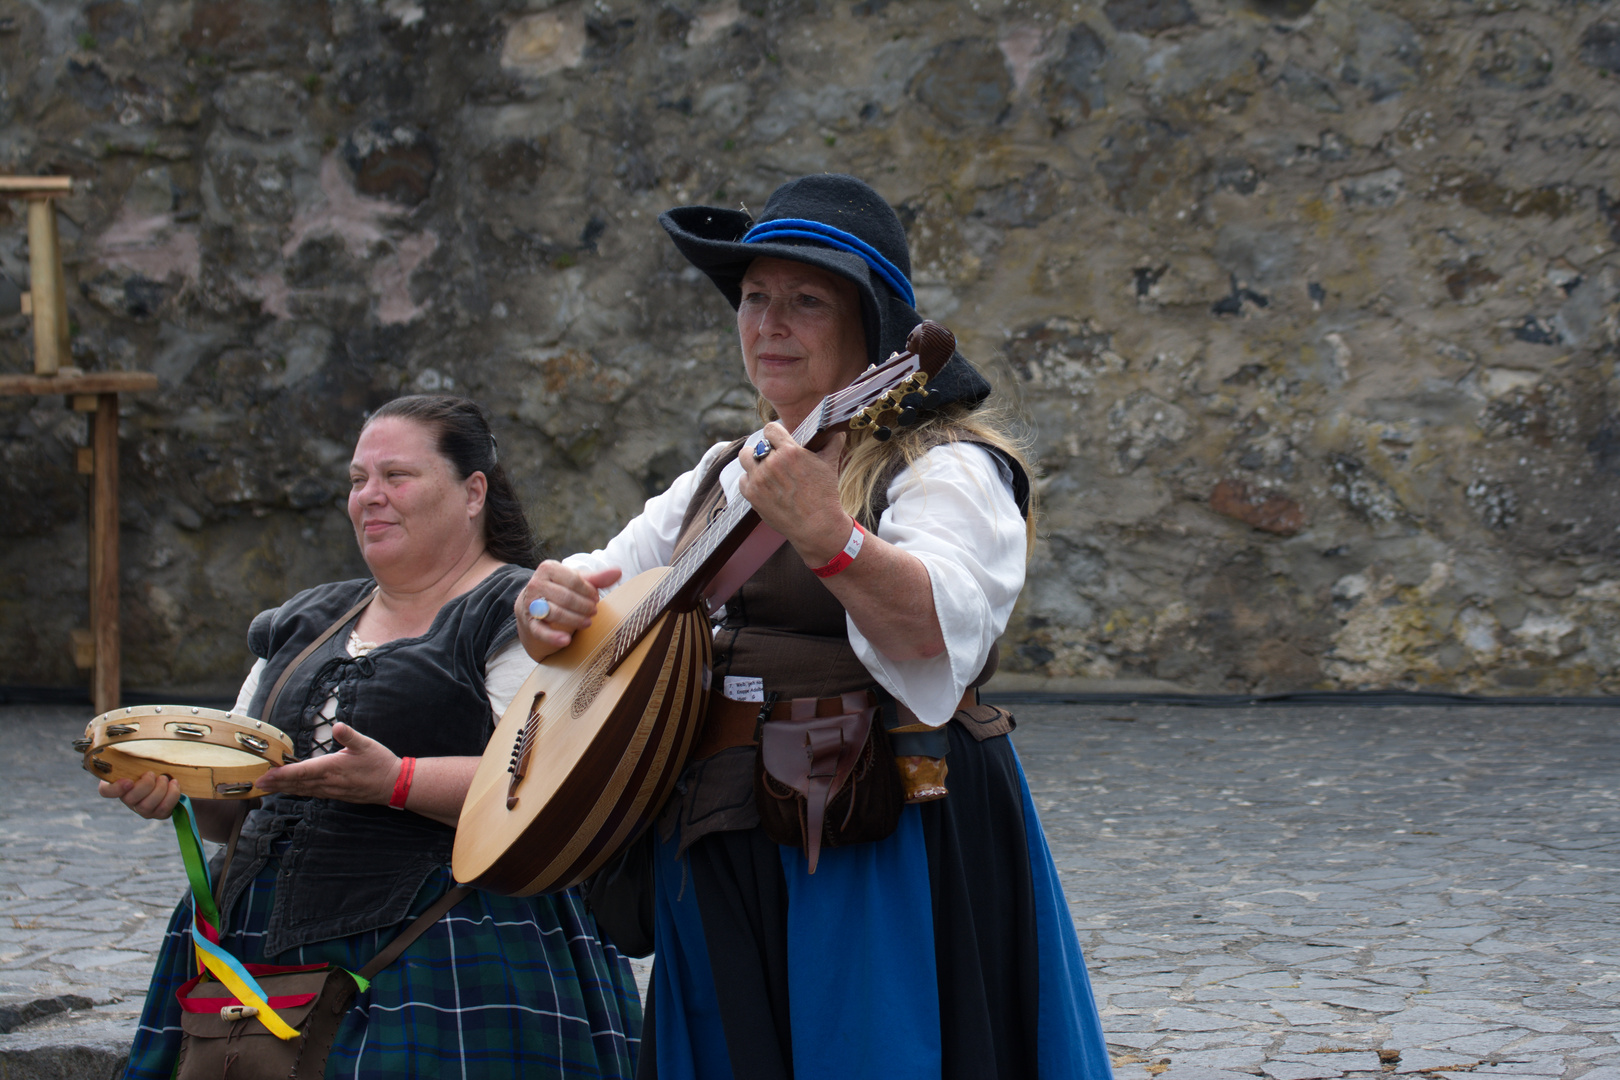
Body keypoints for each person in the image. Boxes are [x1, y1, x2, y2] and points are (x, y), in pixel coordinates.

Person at [515, 175, 1113, 1080]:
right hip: (722, 824)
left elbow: (935, 637)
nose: (769, 323)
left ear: (870, 328)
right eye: (755, 298)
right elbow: (604, 584)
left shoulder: (945, 468)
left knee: (872, 1051)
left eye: (805, 302)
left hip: (876, 831)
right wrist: (548, 606)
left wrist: (830, 537)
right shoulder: (721, 474)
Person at [104, 395, 641, 1079]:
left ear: (472, 491)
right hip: (253, 943)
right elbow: (236, 809)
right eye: (359, 480)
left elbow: (547, 788)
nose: (371, 498)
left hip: (450, 948)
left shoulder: (522, 614)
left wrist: (397, 783)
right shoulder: (301, 622)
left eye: (398, 477)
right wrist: (174, 792)